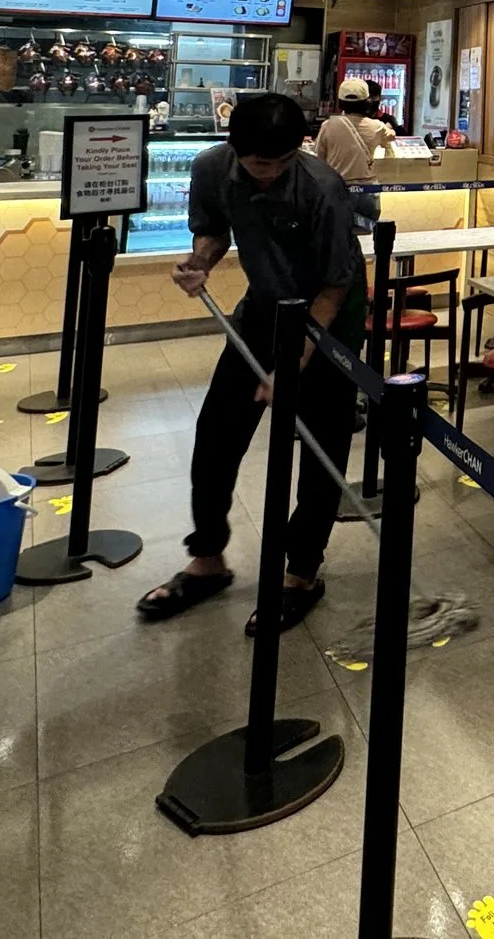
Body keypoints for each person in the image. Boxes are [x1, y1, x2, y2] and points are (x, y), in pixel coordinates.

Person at [139, 91, 368, 634]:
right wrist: (200, 262)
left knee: (320, 453)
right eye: (259, 163)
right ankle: (208, 558)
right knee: (216, 435)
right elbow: (215, 227)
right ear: (232, 146)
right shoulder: (211, 167)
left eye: (282, 162)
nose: (269, 173)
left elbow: (335, 289)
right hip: (263, 312)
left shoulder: (323, 189)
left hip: (329, 325)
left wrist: (292, 365)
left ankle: (302, 573)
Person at [310, 76, 395, 182]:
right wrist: (390, 129)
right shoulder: (377, 126)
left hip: (338, 186)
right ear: (366, 102)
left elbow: (319, 157)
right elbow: (391, 137)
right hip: (367, 188)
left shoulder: (328, 125)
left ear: (340, 102)